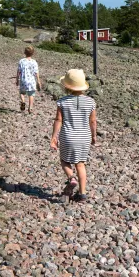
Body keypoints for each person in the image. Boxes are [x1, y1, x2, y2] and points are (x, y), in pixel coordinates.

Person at [50, 69, 97, 203]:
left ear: (67, 85)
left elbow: (58, 120)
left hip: (68, 136)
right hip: (84, 137)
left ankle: (71, 178)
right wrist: (94, 136)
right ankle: (82, 194)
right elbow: (93, 121)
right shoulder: (91, 102)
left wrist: (54, 137)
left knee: (65, 160)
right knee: (80, 164)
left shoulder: (62, 102)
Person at [16, 46, 41, 114]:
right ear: (32, 53)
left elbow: (19, 71)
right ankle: (30, 108)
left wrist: (17, 79)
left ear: (24, 52)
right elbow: (36, 72)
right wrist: (38, 81)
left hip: (23, 80)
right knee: (31, 94)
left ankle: (23, 101)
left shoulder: (21, 61)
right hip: (31, 81)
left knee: (22, 92)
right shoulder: (34, 62)